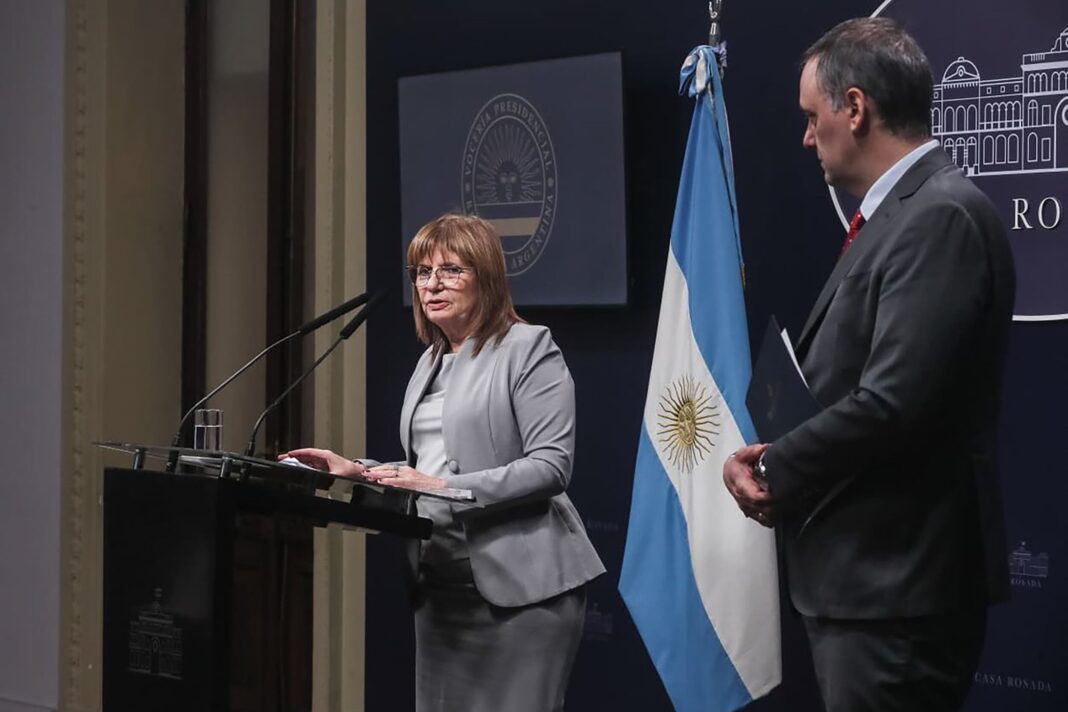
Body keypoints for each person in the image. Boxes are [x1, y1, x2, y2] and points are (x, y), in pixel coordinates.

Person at [722, 17, 1015, 712]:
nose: (803, 136)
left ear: (854, 109)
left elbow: (894, 404)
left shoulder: (939, 215)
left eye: (810, 116)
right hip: (867, 585)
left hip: (897, 592)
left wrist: (775, 466)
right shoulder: (902, 216)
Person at [281, 213, 605, 712]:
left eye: (451, 270)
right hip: (441, 587)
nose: (432, 284)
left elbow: (550, 467)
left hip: (522, 589)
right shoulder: (428, 362)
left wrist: (440, 486)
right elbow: (425, 466)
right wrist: (356, 471)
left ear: (487, 277)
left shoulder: (528, 348)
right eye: (421, 272)